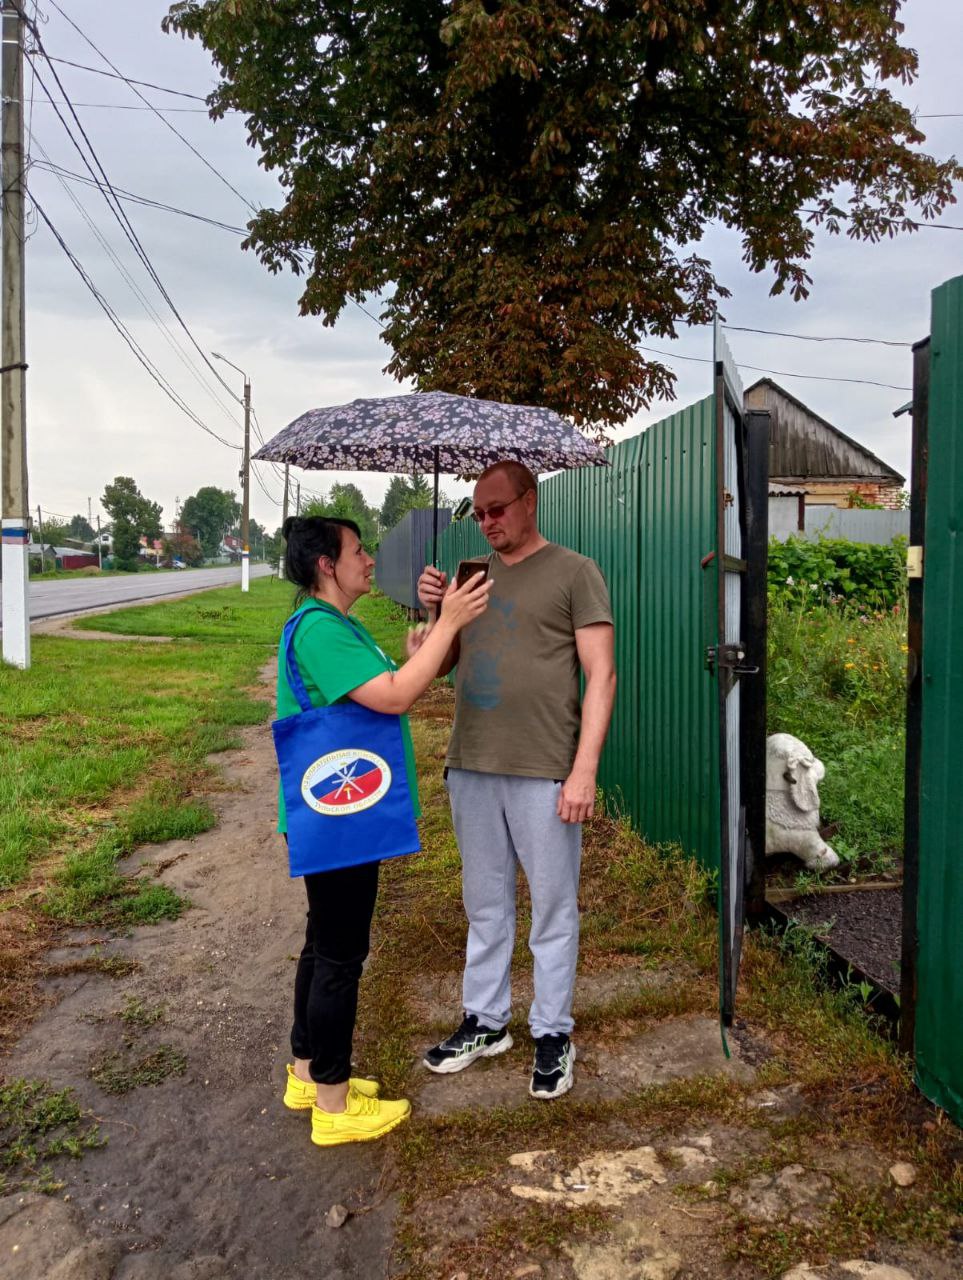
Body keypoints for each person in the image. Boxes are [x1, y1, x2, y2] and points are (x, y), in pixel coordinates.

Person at [277, 514, 491, 1146]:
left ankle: (307, 1073)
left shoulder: (335, 624)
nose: (369, 559)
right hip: (340, 818)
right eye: (357, 550)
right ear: (326, 565)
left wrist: (427, 635)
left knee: (323, 943)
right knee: (341, 956)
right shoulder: (320, 628)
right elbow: (396, 696)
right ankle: (335, 1108)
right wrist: (451, 623)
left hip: (336, 813)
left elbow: (389, 679)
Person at [416, 461, 616, 1099]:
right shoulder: (470, 578)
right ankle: (485, 1020)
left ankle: (553, 1031)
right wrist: (435, 615)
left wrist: (583, 770)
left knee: (553, 908)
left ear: (530, 502)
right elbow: (441, 663)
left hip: (543, 769)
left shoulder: (575, 572)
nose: (487, 521)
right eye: (478, 512)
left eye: (497, 508)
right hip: (472, 762)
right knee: (485, 904)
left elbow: (602, 675)